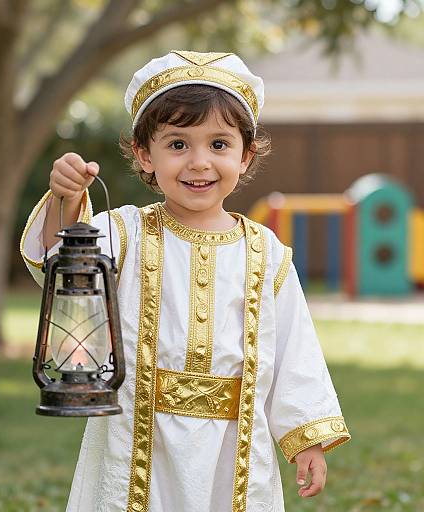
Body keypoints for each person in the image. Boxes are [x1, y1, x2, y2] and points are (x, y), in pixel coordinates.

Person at [20, 50, 350, 512]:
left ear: (246, 154)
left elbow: (295, 349)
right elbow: (64, 264)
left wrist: (305, 437)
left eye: (219, 145)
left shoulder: (266, 251)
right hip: (137, 431)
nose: (199, 163)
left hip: (234, 445)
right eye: (177, 145)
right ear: (144, 154)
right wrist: (66, 198)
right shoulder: (125, 232)